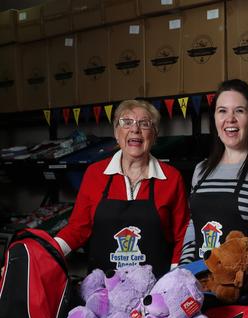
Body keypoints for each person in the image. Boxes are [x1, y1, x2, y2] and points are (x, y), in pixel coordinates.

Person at [55, 99, 190, 279]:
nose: (135, 129)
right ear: (116, 133)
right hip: (103, 291)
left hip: (155, 293)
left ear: (155, 135)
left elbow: (182, 235)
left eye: (144, 123)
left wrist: (173, 279)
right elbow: (78, 228)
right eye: (126, 122)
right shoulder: (95, 174)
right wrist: (44, 254)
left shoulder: (171, 178)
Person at [179, 79, 248, 263]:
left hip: (247, 285)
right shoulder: (201, 171)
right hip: (200, 280)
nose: (230, 119)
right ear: (215, 119)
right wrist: (185, 269)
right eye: (222, 111)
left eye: (239, 111)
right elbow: (194, 225)